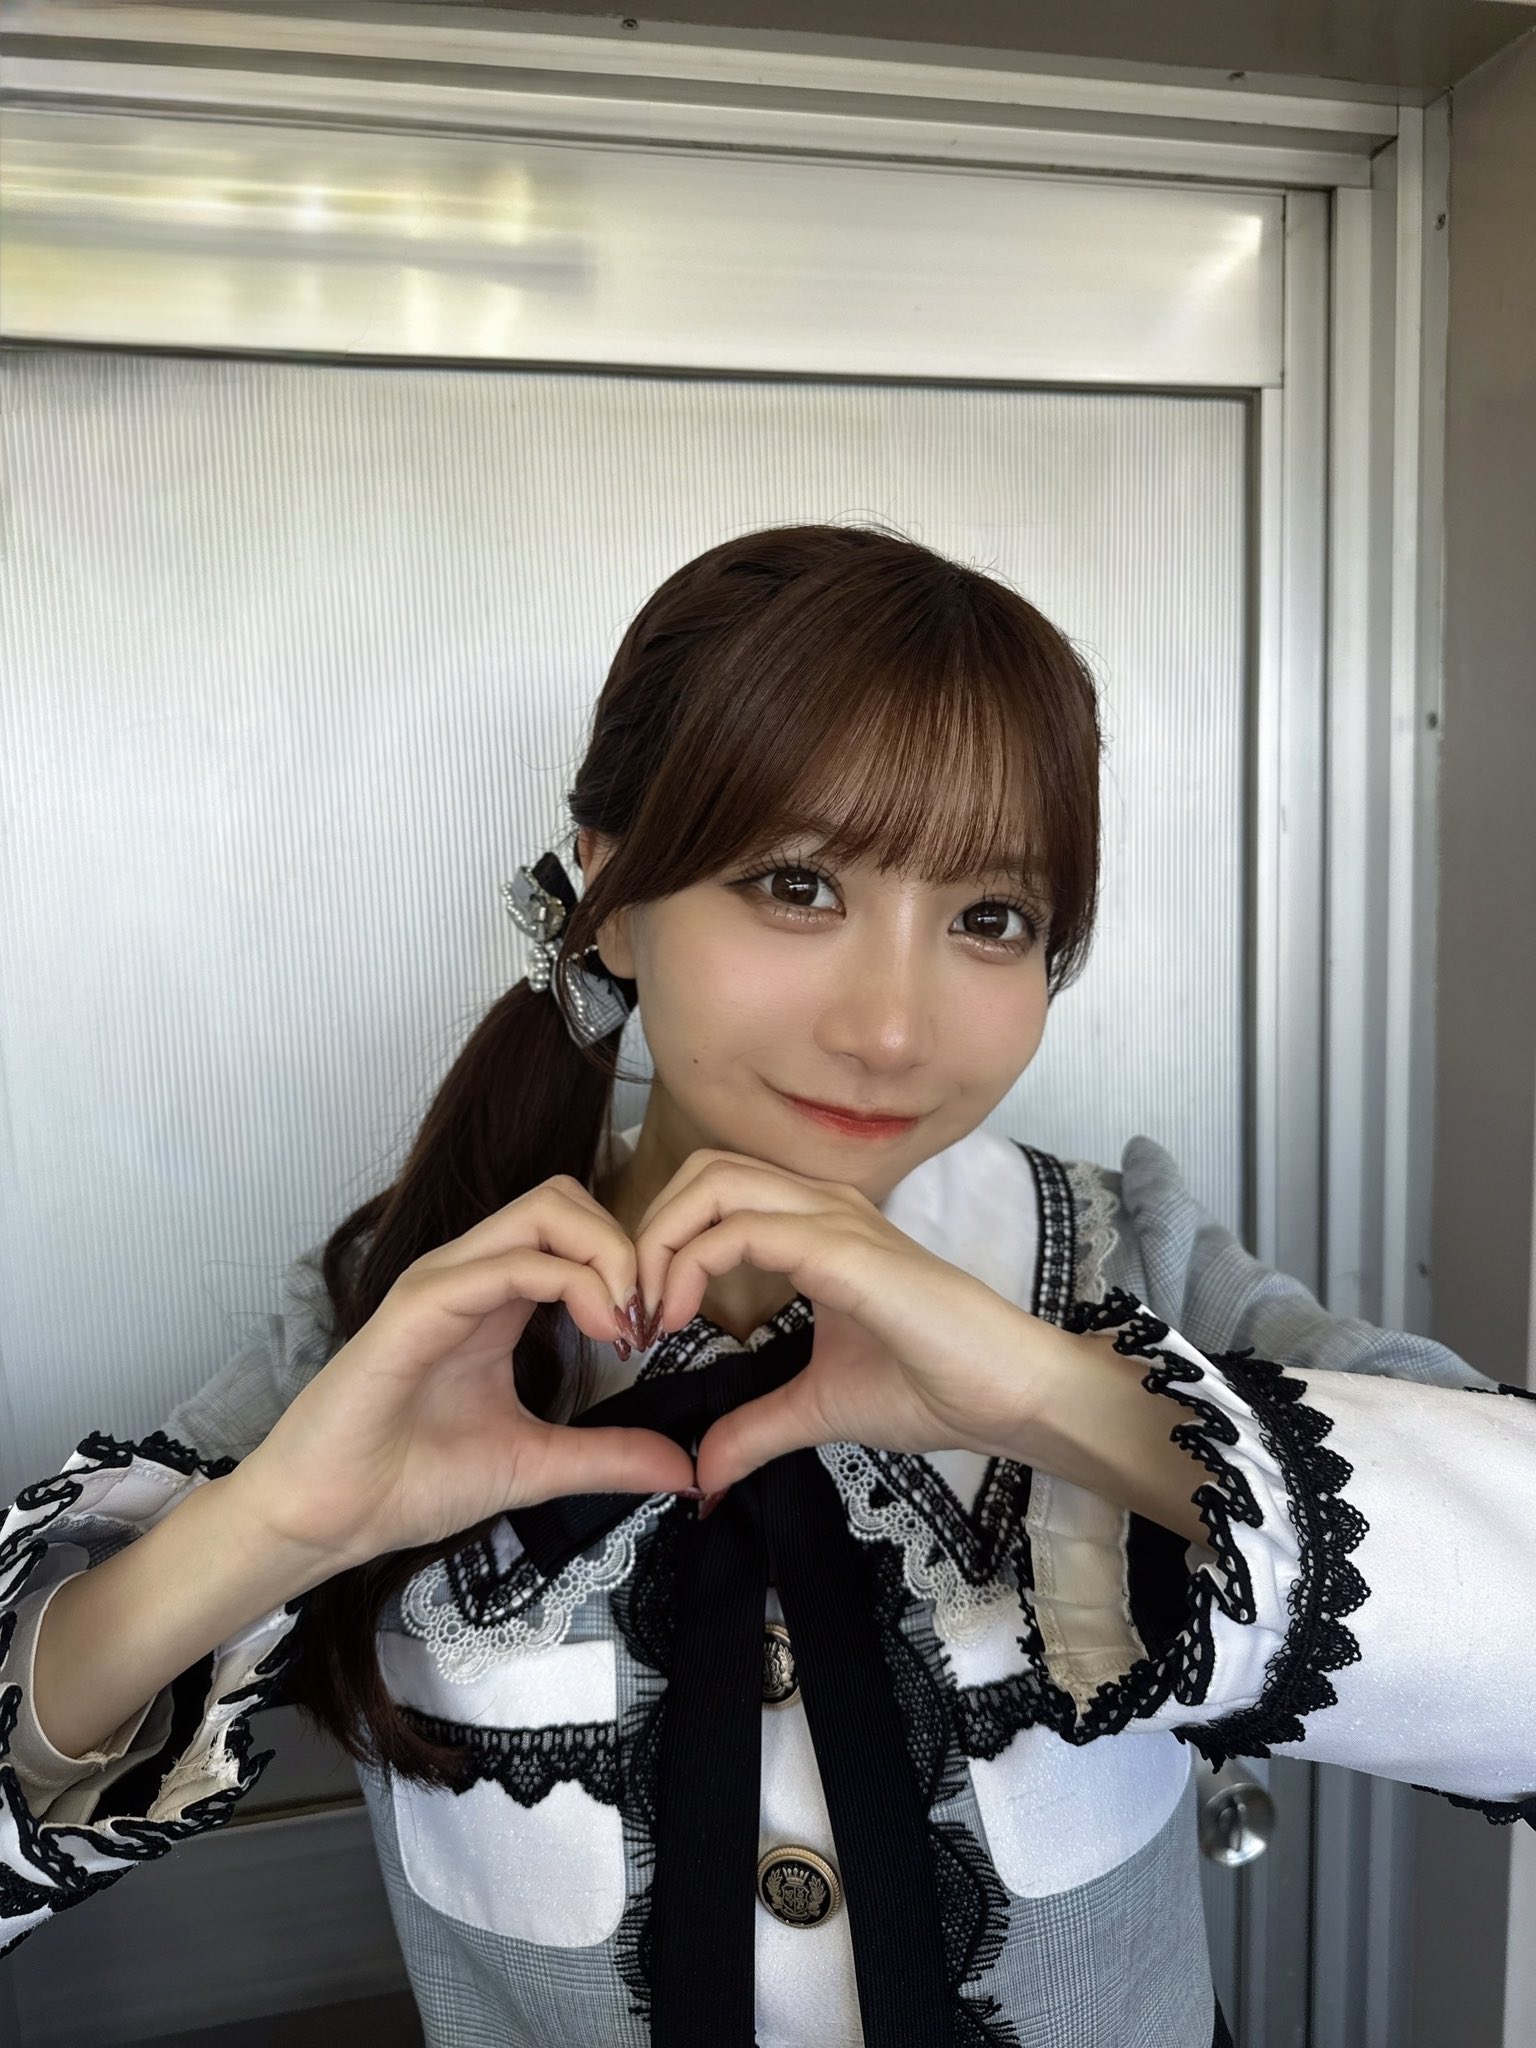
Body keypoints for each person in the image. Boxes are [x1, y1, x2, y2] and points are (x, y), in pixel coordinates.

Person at [1, 524, 1531, 2048]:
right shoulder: (402, 1319)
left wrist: (1062, 1399)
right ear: (610, 893)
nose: (892, 1029)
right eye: (797, 885)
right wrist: (276, 1528)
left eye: (990, 919)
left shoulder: (1132, 1264)